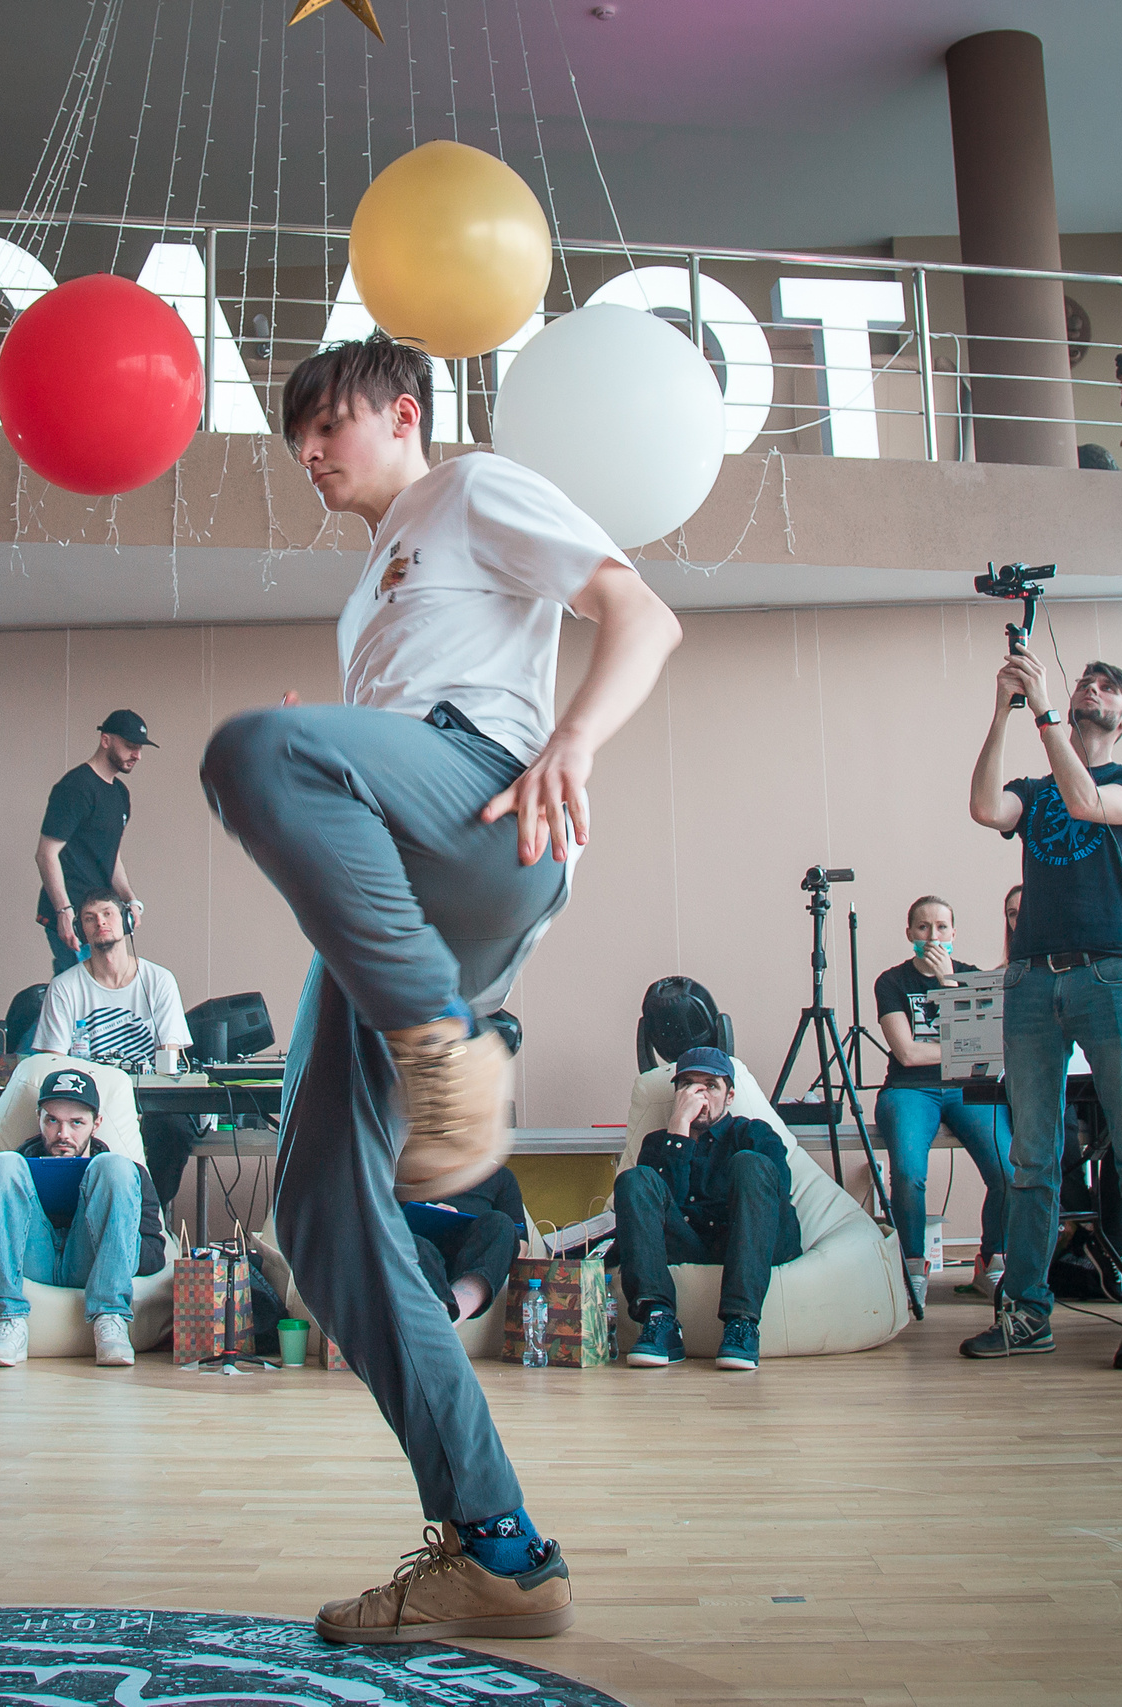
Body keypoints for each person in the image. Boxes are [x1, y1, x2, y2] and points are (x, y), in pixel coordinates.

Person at [201, 332, 680, 1643]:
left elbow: (644, 612)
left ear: (405, 411)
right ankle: (498, 1548)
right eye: (292, 435)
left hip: (486, 811)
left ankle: (446, 1042)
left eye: (328, 424)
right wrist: (340, 740)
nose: (308, 449)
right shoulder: (374, 584)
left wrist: (573, 739)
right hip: (411, 867)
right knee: (316, 1211)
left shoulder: (473, 487)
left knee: (255, 749)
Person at [963, 655, 1122, 1370]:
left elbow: (1086, 802)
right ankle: (1025, 1312)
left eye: (1109, 687)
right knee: (1031, 1157)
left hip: (1107, 975)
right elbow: (987, 808)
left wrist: (1047, 708)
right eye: (1088, 682)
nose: (1094, 690)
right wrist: (1005, 711)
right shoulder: (1034, 789)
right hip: (1030, 980)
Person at [0, 1067, 162, 1369]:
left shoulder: (126, 1177)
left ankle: (111, 1320)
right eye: (53, 1121)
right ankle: (7, 1322)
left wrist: (115, 1242)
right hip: (30, 1260)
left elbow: (154, 1253)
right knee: (2, 1163)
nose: (63, 1134)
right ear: (39, 1120)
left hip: (92, 1264)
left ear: (96, 1124)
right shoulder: (13, 1173)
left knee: (115, 1167)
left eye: (77, 1123)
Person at [614, 1049, 802, 1372]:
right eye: (688, 1085)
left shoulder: (754, 1133)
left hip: (745, 1241)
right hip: (689, 1241)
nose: (699, 1095)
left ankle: (742, 1323)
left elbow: (775, 1193)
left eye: (710, 1086)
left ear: (729, 1097)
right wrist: (679, 1130)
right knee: (634, 1180)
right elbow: (653, 1218)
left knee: (752, 1163)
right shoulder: (658, 1143)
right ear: (677, 1095)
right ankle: (660, 1321)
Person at [871, 895, 1011, 1309]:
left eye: (942, 927)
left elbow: (987, 1051)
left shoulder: (972, 977)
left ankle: (992, 1262)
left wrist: (949, 983)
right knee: (909, 1175)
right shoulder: (892, 982)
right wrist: (964, 1050)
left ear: (954, 933)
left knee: (1007, 1169)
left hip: (969, 1090)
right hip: (909, 1090)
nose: (933, 935)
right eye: (923, 927)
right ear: (909, 933)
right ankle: (914, 1267)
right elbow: (907, 1054)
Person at [32, 889, 198, 1204]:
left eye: (108, 914)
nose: (101, 923)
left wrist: (132, 1108)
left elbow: (170, 1059)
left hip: (151, 1101)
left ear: (126, 921)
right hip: (87, 1102)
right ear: (80, 931)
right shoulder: (65, 987)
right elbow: (50, 1065)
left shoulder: (159, 981)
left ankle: (148, 1214)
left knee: (174, 1132)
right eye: (90, 918)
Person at [36, 710, 153, 979]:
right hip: (76, 917)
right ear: (105, 740)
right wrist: (64, 912)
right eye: (130, 746)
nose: (137, 755)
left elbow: (111, 856)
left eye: (140, 749)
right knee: (79, 997)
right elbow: (46, 854)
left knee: (101, 994)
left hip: (104, 916)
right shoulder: (75, 788)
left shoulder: (120, 794)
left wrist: (130, 899)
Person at [407, 1164, 526, 1323]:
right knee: (416, 1243)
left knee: (502, 1223)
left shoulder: (500, 1176)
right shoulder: (402, 1167)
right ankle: (442, 1322)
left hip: (471, 1261)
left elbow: (521, 1243)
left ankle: (447, 1320)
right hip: (419, 1257)